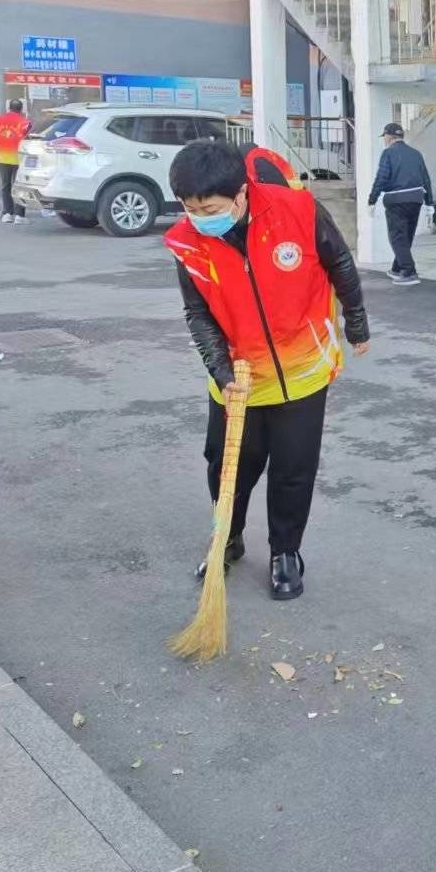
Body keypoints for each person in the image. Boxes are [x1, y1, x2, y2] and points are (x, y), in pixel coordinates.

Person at [165, 140, 369, 601]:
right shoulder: (187, 241)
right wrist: (220, 371)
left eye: (210, 207)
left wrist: (356, 319)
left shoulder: (297, 210)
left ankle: (285, 552)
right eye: (190, 207)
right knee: (227, 466)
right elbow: (197, 312)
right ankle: (228, 538)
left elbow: (338, 260)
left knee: (293, 470)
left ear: (240, 194)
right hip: (237, 374)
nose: (200, 217)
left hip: (301, 370)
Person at [367, 122, 433, 286]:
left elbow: (381, 177)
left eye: (385, 137)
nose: (384, 140)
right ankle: (397, 268)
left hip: (396, 200)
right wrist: (429, 202)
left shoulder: (388, 153)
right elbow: (426, 179)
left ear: (389, 137)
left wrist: (372, 200)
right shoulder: (416, 154)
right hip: (416, 199)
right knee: (407, 236)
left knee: (397, 237)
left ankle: (409, 272)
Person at [0, 99, 31, 223]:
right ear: (21, 109)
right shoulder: (25, 122)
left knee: (5, 186)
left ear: (9, 108)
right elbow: (28, 138)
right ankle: (20, 216)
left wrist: (3, 143)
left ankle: (7, 213)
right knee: (20, 186)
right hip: (19, 158)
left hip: (2, 157)